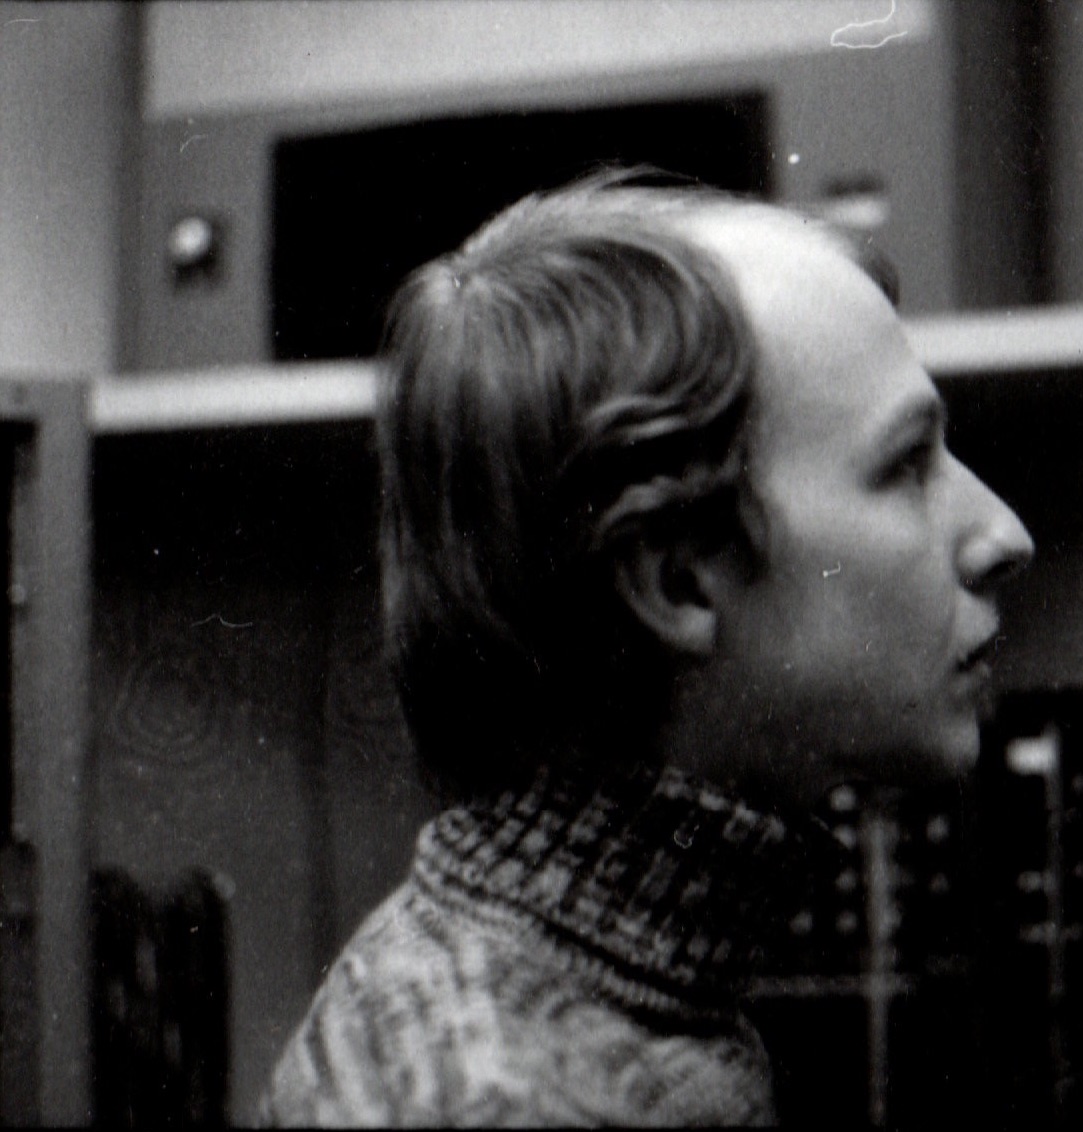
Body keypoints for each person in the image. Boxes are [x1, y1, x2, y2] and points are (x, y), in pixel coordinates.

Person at [261, 171, 1034, 1126]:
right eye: (906, 466)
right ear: (675, 581)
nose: (1003, 534)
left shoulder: (598, 990)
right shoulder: (500, 1100)